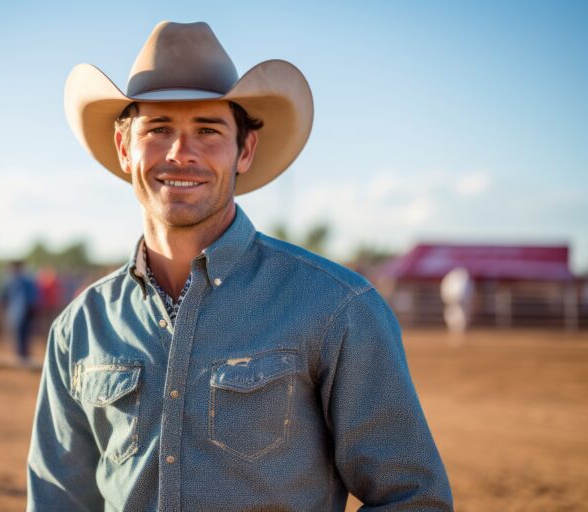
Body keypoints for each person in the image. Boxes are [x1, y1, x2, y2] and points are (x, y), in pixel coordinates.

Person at [27, 21, 453, 511]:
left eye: (207, 131)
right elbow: (56, 502)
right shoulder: (80, 329)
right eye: (158, 129)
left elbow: (413, 498)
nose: (180, 153)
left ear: (244, 150)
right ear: (125, 149)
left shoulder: (337, 308)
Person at [0, 260, 38, 358]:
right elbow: (2, 298)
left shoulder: (25, 282)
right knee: (17, 335)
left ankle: (22, 355)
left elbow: (33, 298)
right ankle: (20, 355)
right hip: (15, 313)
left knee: (22, 335)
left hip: (23, 313)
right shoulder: (11, 282)